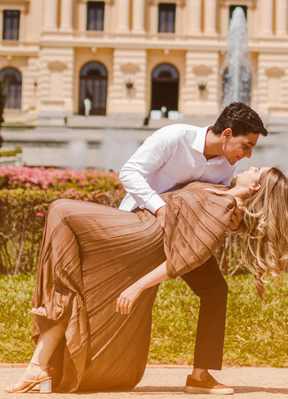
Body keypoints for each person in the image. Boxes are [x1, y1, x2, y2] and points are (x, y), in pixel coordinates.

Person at [8, 164, 288, 394]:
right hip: (140, 223)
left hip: (141, 233)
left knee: (61, 210)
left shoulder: (224, 209)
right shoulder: (222, 192)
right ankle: (39, 365)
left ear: (255, 187)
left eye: (255, 170)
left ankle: (43, 352)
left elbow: (185, 259)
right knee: (75, 275)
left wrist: (136, 287)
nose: (249, 165)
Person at [118, 102, 267, 395]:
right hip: (140, 224)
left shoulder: (228, 164)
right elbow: (129, 172)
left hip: (183, 236)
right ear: (226, 133)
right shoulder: (174, 137)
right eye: (246, 146)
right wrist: (159, 207)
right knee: (117, 297)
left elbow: (212, 202)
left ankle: (200, 375)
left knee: (215, 290)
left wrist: (233, 221)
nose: (247, 155)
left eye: (251, 150)